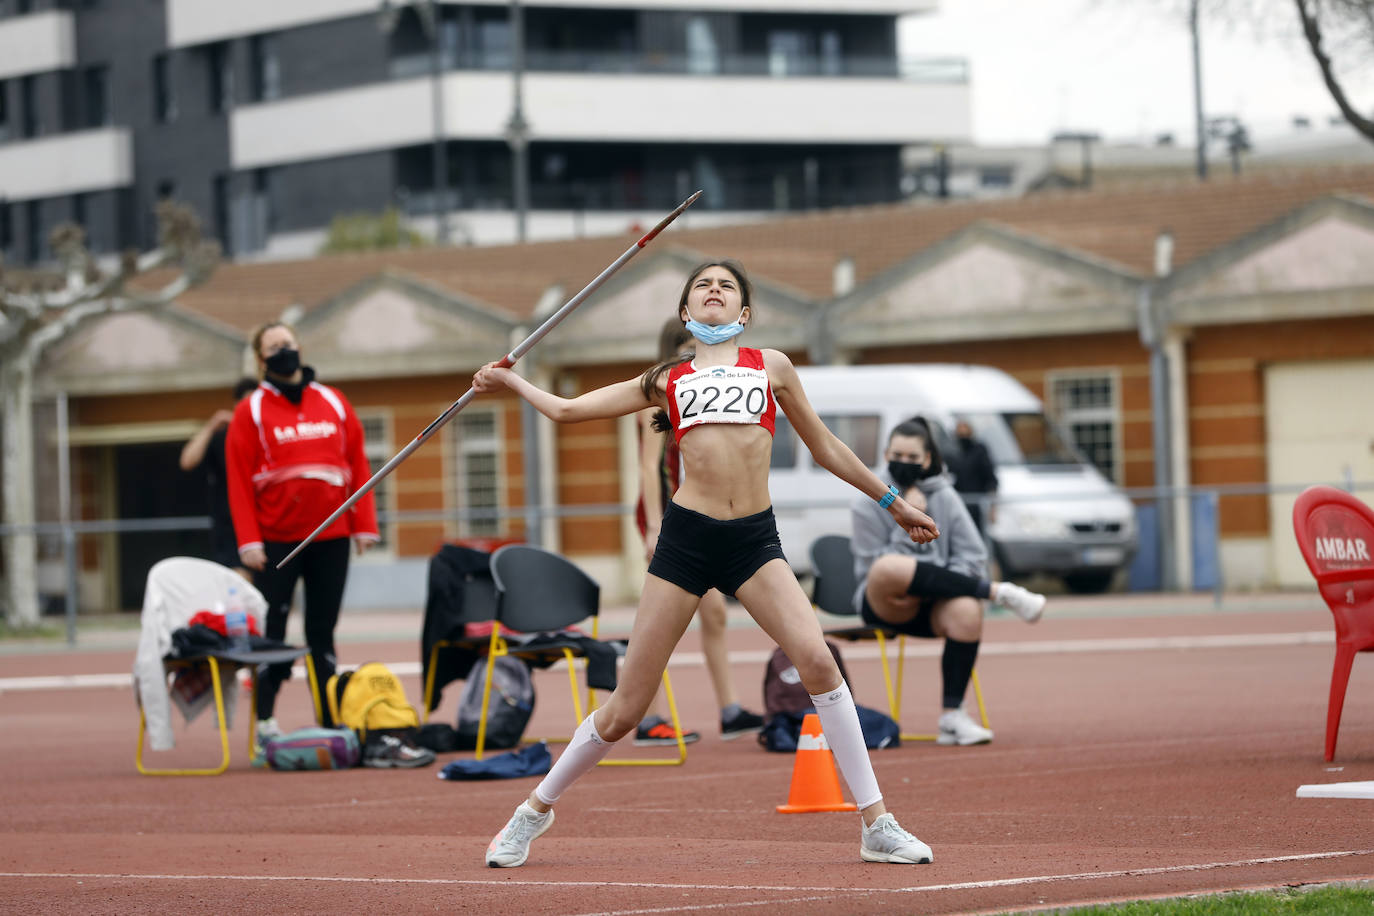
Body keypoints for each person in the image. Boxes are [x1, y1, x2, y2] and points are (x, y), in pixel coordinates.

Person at [474, 259, 941, 869]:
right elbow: (566, 411)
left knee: (821, 664)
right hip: (687, 540)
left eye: (727, 287)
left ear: (743, 313)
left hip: (753, 540)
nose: (714, 292)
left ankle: (877, 823)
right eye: (703, 287)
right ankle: (533, 810)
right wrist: (511, 382)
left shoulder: (771, 366)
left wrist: (894, 502)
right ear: (687, 314)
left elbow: (824, 446)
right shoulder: (665, 379)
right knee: (626, 709)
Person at [224, 323, 414, 764]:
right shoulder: (249, 411)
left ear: (299, 348)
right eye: (273, 348)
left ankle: (330, 721)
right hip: (275, 542)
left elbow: (358, 463)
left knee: (321, 632)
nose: (283, 352)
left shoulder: (333, 401)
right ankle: (265, 725)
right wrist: (249, 541)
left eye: (287, 345)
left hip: (331, 537)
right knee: (272, 636)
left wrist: (364, 524)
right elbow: (237, 483)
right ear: (260, 360)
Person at [851, 417, 1046, 748]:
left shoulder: (945, 496)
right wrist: (906, 522)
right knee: (886, 568)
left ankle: (952, 716)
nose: (905, 463)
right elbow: (872, 568)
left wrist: (936, 584)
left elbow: (973, 557)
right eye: (898, 455)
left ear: (927, 460)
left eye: (913, 457)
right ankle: (998, 592)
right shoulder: (867, 501)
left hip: (934, 605)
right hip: (885, 603)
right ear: (886, 454)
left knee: (968, 609)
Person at [633, 318, 765, 745]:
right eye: (688, 346)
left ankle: (729, 710)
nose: (697, 354)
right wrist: (655, 524)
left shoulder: (706, 386)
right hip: (669, 515)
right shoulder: (657, 393)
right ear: (672, 348)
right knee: (661, 620)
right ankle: (647, 716)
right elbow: (647, 468)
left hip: (697, 515)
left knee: (713, 612)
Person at [179, 377, 258, 578]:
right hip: (230, 525)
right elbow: (187, 461)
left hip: (267, 522)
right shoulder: (223, 436)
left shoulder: (269, 434)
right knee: (239, 583)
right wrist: (211, 426)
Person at [944, 418, 998, 540]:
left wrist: (993, 507)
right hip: (957, 504)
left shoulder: (980, 450)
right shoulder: (951, 452)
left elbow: (991, 478)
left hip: (977, 506)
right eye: (960, 433)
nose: (962, 436)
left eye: (965, 433)